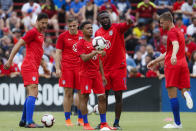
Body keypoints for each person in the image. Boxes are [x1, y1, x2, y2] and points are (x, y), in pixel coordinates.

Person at [147, 12, 193, 129]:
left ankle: (177, 123)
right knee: (184, 90)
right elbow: (170, 50)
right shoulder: (179, 31)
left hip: (173, 65)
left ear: (168, 22)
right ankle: (187, 94)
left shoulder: (171, 32)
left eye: (162, 23)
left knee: (172, 95)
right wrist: (155, 61)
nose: (161, 26)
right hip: (183, 64)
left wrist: (173, 56)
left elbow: (175, 45)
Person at [4, 13, 49, 128]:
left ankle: (24, 120)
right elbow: (18, 44)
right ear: (37, 21)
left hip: (34, 66)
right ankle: (29, 122)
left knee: (32, 93)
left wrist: (44, 66)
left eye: (46, 23)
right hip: (29, 65)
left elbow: (38, 52)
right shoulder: (32, 32)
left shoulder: (40, 34)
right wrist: (10, 60)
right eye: (42, 23)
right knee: (33, 91)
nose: (44, 25)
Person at [95, 10, 133, 129]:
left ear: (110, 18)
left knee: (118, 96)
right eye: (103, 18)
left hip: (119, 68)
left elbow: (127, 24)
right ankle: (103, 122)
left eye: (107, 17)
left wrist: (129, 21)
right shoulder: (97, 33)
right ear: (99, 21)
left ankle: (116, 122)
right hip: (105, 69)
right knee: (103, 97)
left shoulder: (117, 28)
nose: (105, 19)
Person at [76, 21, 115, 130]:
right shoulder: (80, 43)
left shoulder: (96, 42)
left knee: (102, 98)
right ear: (82, 30)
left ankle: (104, 123)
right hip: (85, 74)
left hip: (96, 74)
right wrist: (96, 52)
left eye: (91, 28)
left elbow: (99, 61)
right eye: (88, 28)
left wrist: (102, 75)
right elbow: (83, 58)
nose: (91, 30)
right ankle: (86, 124)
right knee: (84, 98)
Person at [55, 16, 83, 126]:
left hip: (81, 67)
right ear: (67, 26)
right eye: (70, 26)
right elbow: (58, 53)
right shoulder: (62, 37)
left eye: (74, 25)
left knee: (82, 94)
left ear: (77, 25)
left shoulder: (83, 35)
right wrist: (57, 68)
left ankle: (80, 119)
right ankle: (68, 120)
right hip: (67, 68)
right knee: (68, 93)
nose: (72, 28)